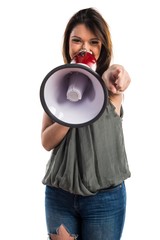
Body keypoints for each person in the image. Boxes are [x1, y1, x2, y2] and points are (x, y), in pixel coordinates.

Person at [41, 7, 131, 240]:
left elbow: (117, 75)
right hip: (59, 196)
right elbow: (46, 142)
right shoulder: (56, 83)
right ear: (67, 44)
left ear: (103, 48)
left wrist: (118, 73)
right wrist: (71, 111)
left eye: (94, 42)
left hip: (105, 200)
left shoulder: (110, 87)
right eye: (77, 40)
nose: (84, 48)